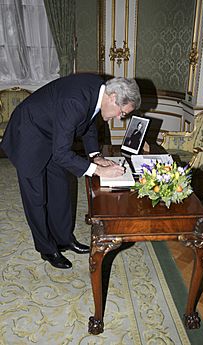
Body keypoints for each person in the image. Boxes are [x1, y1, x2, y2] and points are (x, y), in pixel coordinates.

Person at [1, 73, 141, 269]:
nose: (120, 118)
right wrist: (97, 171)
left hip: (53, 133)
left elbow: (90, 120)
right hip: (28, 134)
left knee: (61, 188)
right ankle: (47, 249)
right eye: (122, 112)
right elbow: (61, 153)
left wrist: (95, 156)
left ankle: (64, 239)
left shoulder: (101, 91)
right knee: (36, 197)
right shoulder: (75, 101)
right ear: (112, 97)